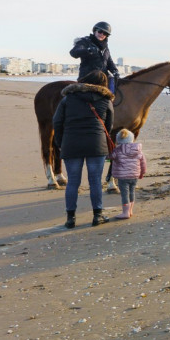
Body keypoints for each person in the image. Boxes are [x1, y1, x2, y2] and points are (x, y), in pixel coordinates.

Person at [52, 69, 115, 228]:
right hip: (96, 144)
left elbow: (57, 122)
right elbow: (109, 126)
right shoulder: (106, 100)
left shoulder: (68, 99)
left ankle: (70, 218)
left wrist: (61, 142)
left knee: (73, 181)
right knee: (95, 181)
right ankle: (97, 216)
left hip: (71, 143)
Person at [70, 21, 120, 93]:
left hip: (102, 79)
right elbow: (73, 52)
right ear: (95, 31)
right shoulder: (85, 42)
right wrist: (88, 50)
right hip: (88, 78)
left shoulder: (105, 47)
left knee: (115, 88)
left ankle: (112, 101)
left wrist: (115, 71)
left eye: (105, 33)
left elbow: (109, 61)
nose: (102, 34)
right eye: (100, 31)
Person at [110, 129, 147, 220]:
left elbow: (110, 157)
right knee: (131, 192)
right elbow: (143, 163)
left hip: (123, 177)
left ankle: (125, 212)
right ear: (132, 139)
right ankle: (130, 210)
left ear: (118, 140)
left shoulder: (117, 151)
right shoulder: (137, 150)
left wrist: (106, 154)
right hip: (134, 175)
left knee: (124, 194)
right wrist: (142, 173)